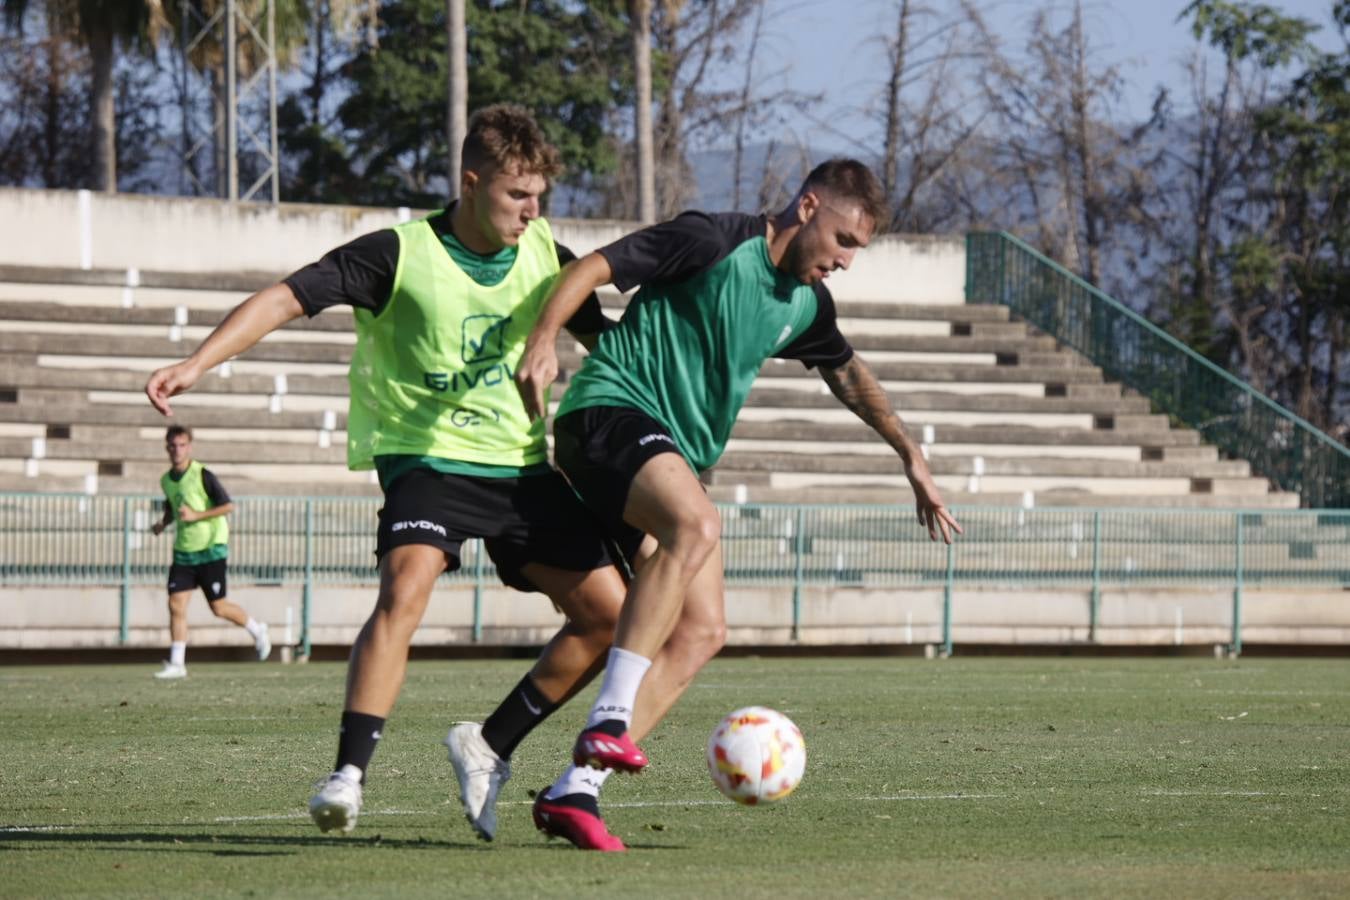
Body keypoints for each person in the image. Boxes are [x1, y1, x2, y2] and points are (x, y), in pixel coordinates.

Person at [143, 105, 634, 844]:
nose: (532, 212)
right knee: (406, 589)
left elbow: (613, 347)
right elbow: (285, 297)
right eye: (516, 195)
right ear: (471, 183)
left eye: (540, 196)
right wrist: (196, 363)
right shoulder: (398, 254)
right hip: (426, 457)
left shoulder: (550, 258)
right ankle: (347, 776)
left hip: (521, 467)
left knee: (610, 616)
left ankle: (489, 744)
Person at [515, 158, 964, 848]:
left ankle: (575, 790)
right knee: (696, 524)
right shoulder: (712, 240)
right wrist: (543, 340)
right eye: (844, 240)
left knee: (703, 630)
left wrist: (911, 455)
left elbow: (847, 372)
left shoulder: (806, 303)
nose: (846, 260)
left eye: (858, 250)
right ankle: (609, 719)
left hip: (671, 456)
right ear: (808, 208)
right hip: (607, 414)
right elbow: (592, 269)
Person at [151, 424, 271, 679]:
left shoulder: (203, 474)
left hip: (210, 549)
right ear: (167, 447)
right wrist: (162, 523)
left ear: (189, 447)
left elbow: (228, 506)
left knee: (218, 607)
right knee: (176, 604)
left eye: (182, 445)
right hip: (184, 551)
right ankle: (177, 664)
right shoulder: (166, 480)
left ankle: (257, 629)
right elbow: (174, 507)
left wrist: (197, 515)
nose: (177, 450)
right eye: (172, 445)